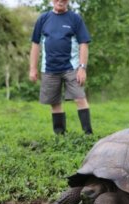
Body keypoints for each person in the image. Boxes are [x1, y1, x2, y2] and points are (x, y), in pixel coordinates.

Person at [29, 0, 93, 135]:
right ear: (52, 1)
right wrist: (33, 68)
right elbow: (35, 44)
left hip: (72, 68)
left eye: (64, 0)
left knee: (80, 98)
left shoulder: (75, 18)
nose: (60, 2)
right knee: (54, 102)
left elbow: (83, 44)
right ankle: (60, 136)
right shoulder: (43, 19)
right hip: (49, 69)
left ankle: (88, 135)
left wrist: (82, 67)